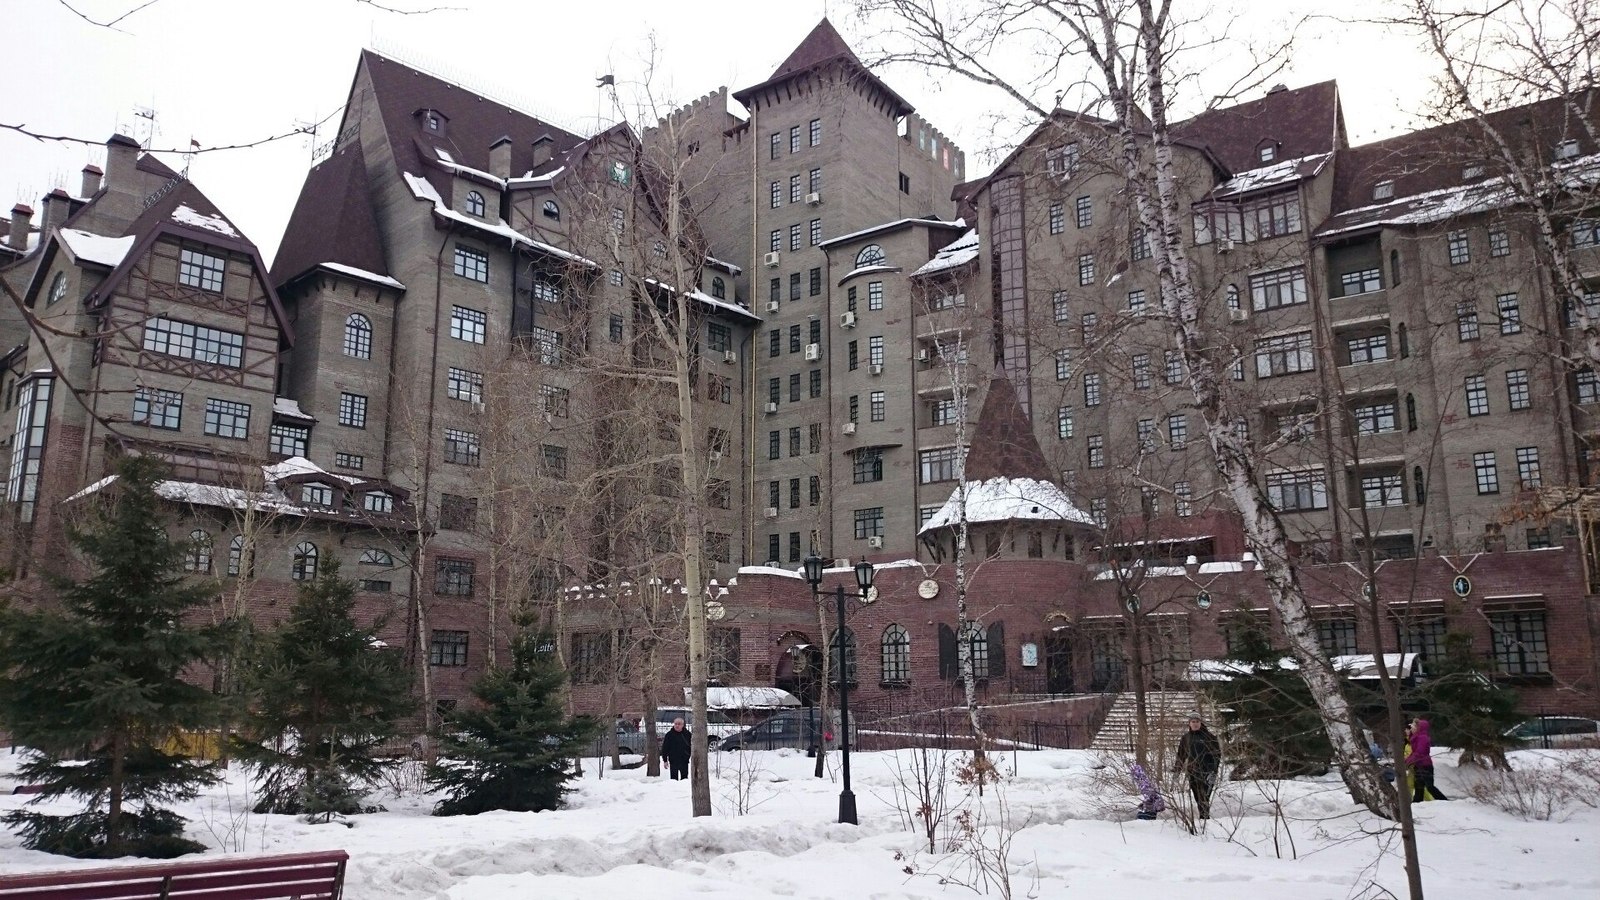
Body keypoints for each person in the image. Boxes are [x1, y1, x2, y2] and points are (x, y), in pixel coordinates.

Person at [1175, 715, 1222, 819]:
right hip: (1193, 772)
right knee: (1198, 797)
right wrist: (1177, 771)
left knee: (1204, 797)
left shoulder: (1210, 737)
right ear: (1189, 723)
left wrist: (1213, 772)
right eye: (1193, 721)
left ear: (1201, 723)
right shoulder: (1186, 738)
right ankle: (1203, 819)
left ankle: (1205, 819)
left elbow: (1217, 755)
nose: (1195, 723)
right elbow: (1181, 755)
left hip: (1207, 772)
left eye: (1197, 721)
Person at [1405, 718, 1449, 802]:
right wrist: (1406, 761)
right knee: (1418, 786)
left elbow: (1419, 753)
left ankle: (1444, 801)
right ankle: (1417, 803)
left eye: (1414, 726)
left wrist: (1407, 762)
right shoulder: (1416, 738)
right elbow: (1414, 752)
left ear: (1419, 728)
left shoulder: (1422, 738)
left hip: (1425, 766)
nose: (1411, 728)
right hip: (1418, 765)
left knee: (1429, 787)